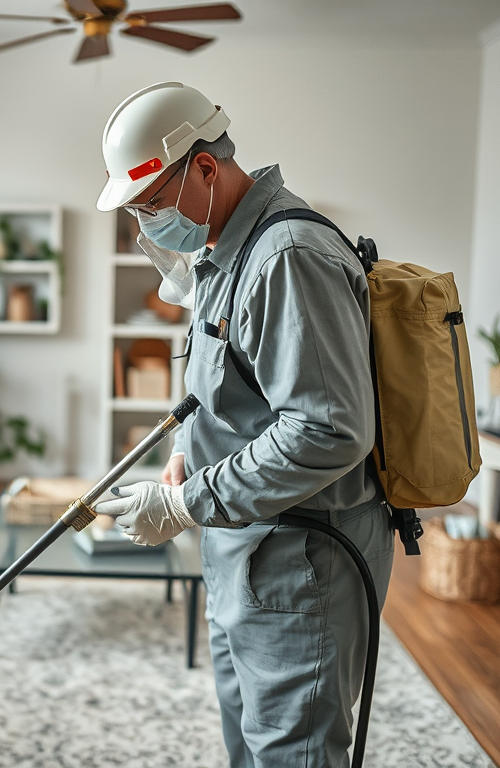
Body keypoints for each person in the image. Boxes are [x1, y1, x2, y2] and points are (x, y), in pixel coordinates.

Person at [93, 82, 395, 768]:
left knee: (294, 750)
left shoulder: (286, 256)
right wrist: (182, 452)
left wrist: (184, 503)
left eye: (152, 204)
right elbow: (219, 380)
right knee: (251, 740)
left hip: (302, 563)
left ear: (205, 168)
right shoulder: (227, 249)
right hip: (247, 547)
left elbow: (328, 431)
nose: (147, 227)